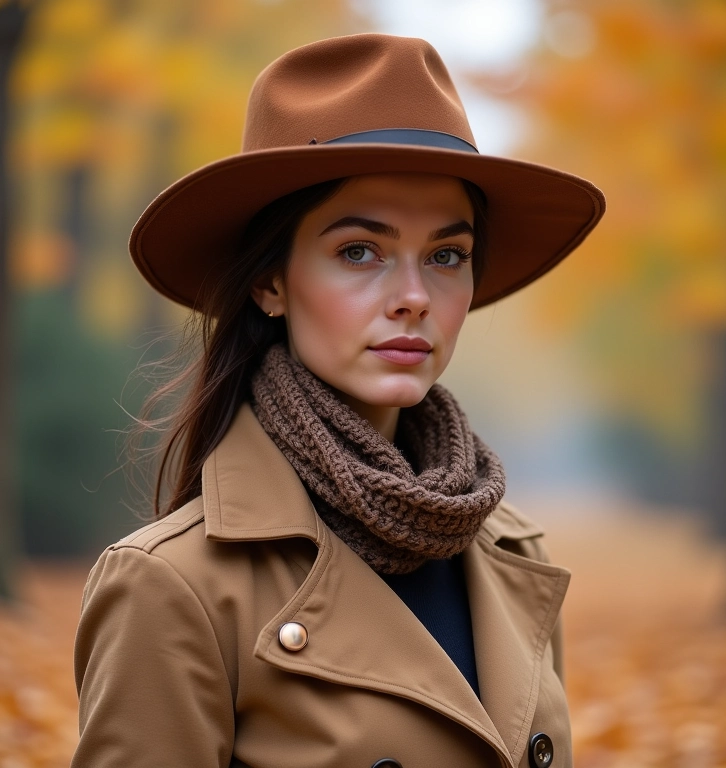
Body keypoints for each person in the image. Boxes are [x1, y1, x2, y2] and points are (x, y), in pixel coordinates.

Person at [71, 33, 604, 768]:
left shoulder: (512, 550)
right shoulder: (173, 587)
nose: (415, 298)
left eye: (447, 255)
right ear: (271, 283)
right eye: (360, 251)